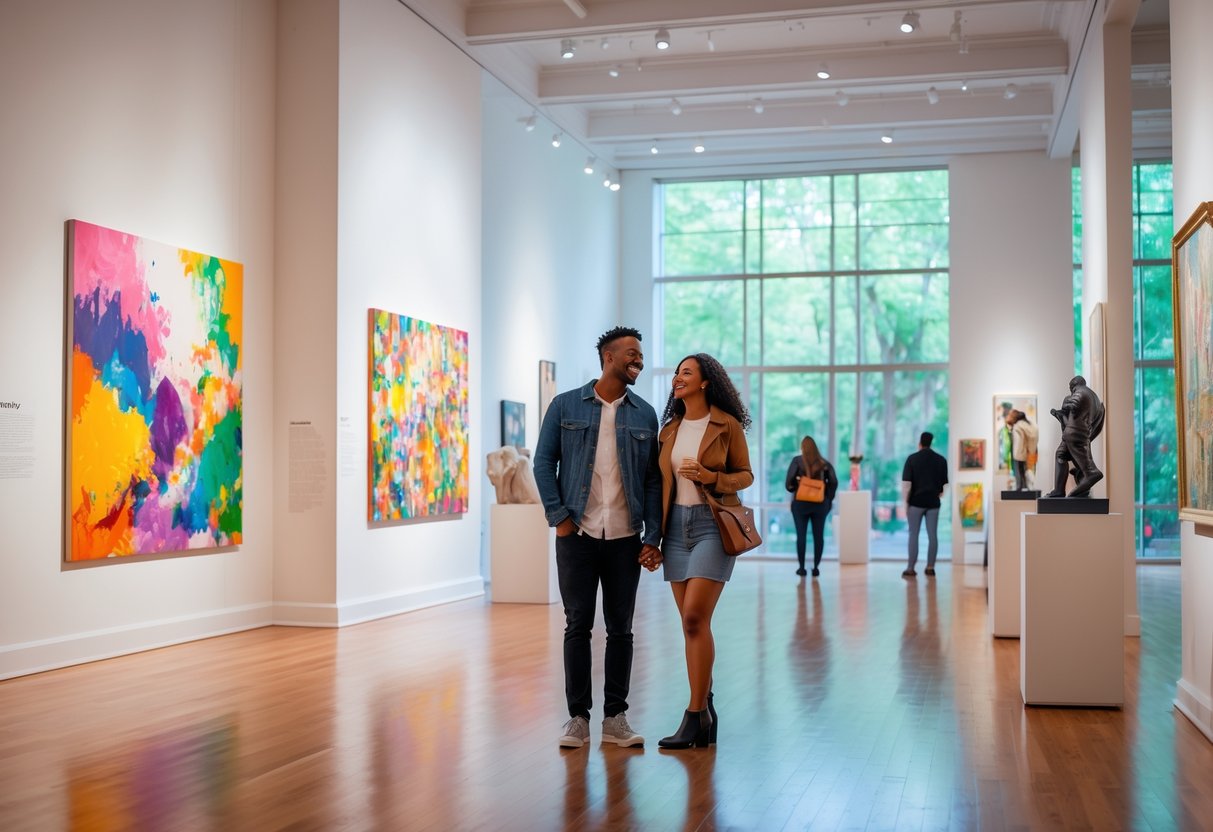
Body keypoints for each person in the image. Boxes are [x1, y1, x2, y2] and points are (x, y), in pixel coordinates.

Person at [533, 326, 664, 750]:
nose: (638, 361)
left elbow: (653, 480)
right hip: (578, 535)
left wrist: (653, 536)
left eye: (641, 356)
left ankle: (615, 717)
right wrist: (560, 519)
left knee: (621, 629)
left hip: (626, 536)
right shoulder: (565, 404)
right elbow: (542, 464)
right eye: (632, 354)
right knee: (578, 626)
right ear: (608, 357)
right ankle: (577, 718)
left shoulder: (644, 414)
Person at [655, 353, 753, 749]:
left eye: (687, 373)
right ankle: (706, 708)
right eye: (677, 373)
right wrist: (652, 538)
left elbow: (745, 474)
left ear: (706, 382)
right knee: (691, 626)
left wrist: (710, 476)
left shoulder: (726, 425)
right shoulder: (670, 430)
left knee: (696, 616)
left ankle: (695, 715)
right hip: (675, 529)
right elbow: (656, 485)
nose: (678, 378)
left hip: (713, 525)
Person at [785, 436, 839, 577]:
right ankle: (816, 568)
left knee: (801, 536)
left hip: (800, 504)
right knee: (818, 536)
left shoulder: (797, 461)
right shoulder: (824, 463)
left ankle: (801, 568)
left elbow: (788, 484)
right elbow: (833, 482)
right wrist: (828, 498)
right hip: (820, 505)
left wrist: (796, 486)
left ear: (803, 447)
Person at [1044, 375, 1105, 498]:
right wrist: (1060, 414)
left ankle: (1091, 474)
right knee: (1060, 455)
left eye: (1071, 388)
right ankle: (1059, 490)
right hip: (1078, 433)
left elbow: (1075, 404)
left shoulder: (1080, 392)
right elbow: (1096, 420)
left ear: (1073, 386)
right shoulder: (1095, 398)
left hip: (1075, 434)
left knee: (1087, 467)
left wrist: (1067, 405)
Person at [901, 431, 949, 578]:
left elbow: (907, 484)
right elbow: (945, 485)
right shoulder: (941, 460)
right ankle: (930, 567)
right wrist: (939, 493)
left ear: (920, 443)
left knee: (913, 534)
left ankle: (910, 568)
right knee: (932, 535)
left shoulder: (912, 459)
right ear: (931, 442)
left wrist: (906, 503)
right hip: (933, 503)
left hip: (916, 503)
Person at [1008, 410, 1039, 491]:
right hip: (1033, 452)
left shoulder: (1018, 426)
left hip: (1020, 453)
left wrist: (1017, 454)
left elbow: (1018, 441)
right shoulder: (1032, 425)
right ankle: (1030, 487)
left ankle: (1020, 487)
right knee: (1030, 470)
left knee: (1020, 473)